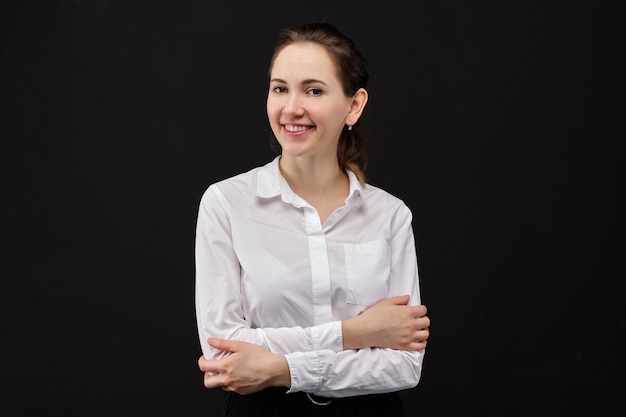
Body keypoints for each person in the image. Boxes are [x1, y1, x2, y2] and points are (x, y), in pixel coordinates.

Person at [194, 22, 430, 416]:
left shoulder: (390, 216)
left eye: (314, 90)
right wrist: (355, 333)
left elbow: (404, 364)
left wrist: (283, 369)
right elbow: (223, 349)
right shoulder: (226, 203)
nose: (291, 108)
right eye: (280, 88)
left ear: (353, 105)